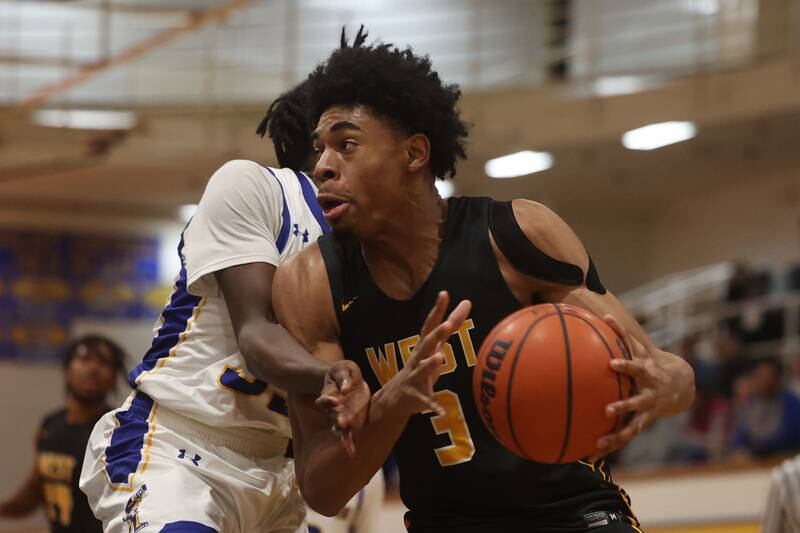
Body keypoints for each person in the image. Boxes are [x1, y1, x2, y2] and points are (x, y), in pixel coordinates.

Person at [274, 29, 695, 533]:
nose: (321, 166)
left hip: (572, 513)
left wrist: (663, 387)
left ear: (414, 154)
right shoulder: (312, 282)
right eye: (320, 149)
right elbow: (323, 490)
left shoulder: (518, 235)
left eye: (346, 144)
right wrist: (395, 398)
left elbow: (673, 376)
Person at [80, 79, 365, 533]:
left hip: (283, 474)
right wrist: (331, 377)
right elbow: (257, 336)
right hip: (182, 446)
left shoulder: (381, 243)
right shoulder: (259, 188)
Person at [1, 335, 125, 533]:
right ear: (67, 370)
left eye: (104, 362)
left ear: (114, 378)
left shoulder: (118, 432)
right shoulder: (49, 426)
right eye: (84, 359)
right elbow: (33, 494)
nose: (93, 368)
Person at [730, 356, 800, 459]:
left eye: (767, 377)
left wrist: (757, 449)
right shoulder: (751, 403)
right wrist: (739, 448)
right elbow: (740, 433)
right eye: (759, 377)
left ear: (778, 378)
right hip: (753, 459)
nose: (763, 381)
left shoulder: (792, 403)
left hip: (784, 457)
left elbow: (789, 436)